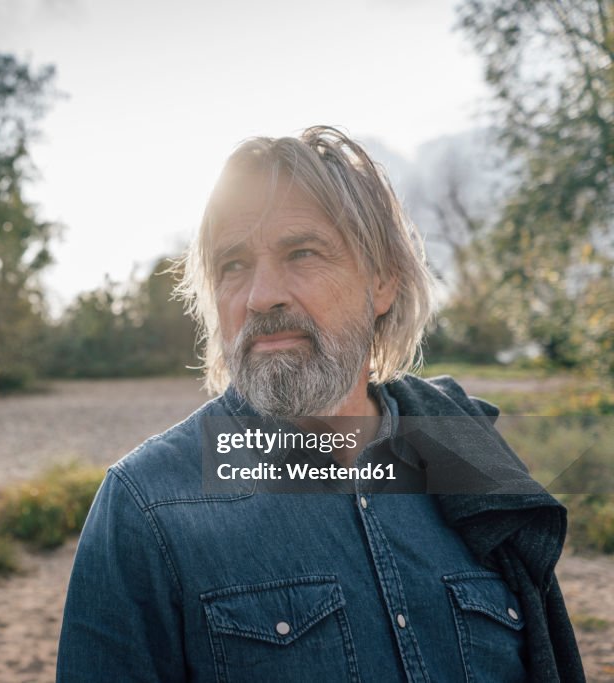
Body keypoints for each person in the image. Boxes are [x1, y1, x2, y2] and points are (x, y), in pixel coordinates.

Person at [56, 127, 584, 682]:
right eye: (233, 265)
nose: (262, 296)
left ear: (382, 281)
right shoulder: (147, 506)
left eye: (301, 253)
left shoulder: (470, 460)